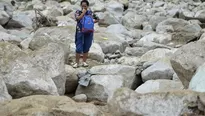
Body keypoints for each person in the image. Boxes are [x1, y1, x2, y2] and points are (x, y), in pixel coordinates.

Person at [72, 0, 99, 68]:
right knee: (78, 47)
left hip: (88, 31)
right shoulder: (78, 12)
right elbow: (77, 18)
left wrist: (91, 22)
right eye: (82, 6)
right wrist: (83, 13)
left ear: (87, 6)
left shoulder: (90, 13)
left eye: (85, 6)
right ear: (81, 6)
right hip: (80, 31)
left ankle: (84, 61)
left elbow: (97, 19)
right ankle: (77, 62)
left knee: (87, 46)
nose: (84, 7)